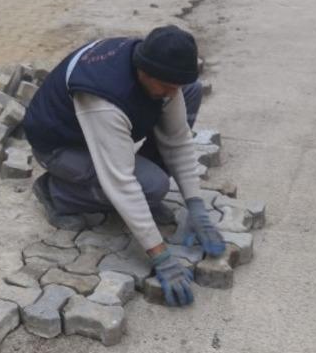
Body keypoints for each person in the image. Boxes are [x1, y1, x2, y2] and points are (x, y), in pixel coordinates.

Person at [21, 25, 224, 307]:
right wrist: (161, 257)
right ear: (144, 72)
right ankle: (56, 192)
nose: (170, 92)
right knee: (152, 186)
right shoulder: (103, 98)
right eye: (166, 85)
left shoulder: (154, 66)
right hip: (60, 144)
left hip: (98, 127)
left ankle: (145, 185)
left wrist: (196, 206)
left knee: (189, 92)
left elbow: (177, 141)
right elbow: (121, 182)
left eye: (173, 86)